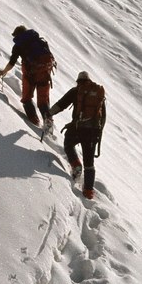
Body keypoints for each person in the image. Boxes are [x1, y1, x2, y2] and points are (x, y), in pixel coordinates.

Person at [49, 71, 106, 199]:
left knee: (68, 145)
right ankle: (88, 191)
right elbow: (102, 117)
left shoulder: (76, 91)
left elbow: (62, 104)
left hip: (77, 128)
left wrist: (49, 113)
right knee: (89, 163)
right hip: (92, 132)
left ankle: (75, 165)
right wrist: (98, 134)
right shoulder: (98, 94)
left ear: (78, 81)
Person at [0, 25, 56, 129]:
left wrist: (4, 71)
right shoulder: (38, 40)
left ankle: (34, 123)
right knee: (43, 101)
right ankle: (49, 126)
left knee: (26, 98)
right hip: (45, 73)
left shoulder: (19, 45)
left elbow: (12, 62)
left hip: (30, 75)